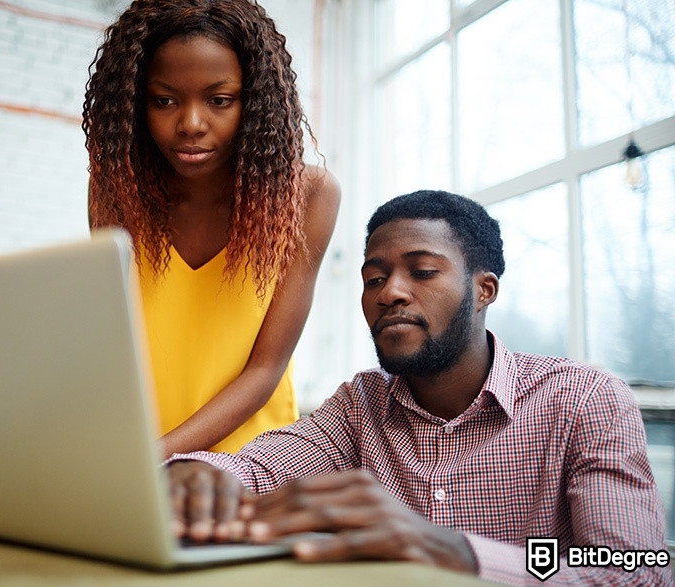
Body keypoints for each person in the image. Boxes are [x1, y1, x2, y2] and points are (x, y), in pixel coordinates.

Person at [165, 190, 670, 586]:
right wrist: (195, 472)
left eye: (422, 271)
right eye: (373, 279)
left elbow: (637, 569)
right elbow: (257, 469)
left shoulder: (586, 400)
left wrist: (456, 552)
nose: (390, 293)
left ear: (483, 290)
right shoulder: (359, 406)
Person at [81, 0, 340, 459]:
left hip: (252, 468)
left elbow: (265, 370)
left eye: (219, 100)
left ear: (256, 100)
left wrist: (153, 456)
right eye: (165, 100)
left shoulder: (308, 196)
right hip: (135, 458)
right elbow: (113, 346)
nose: (191, 124)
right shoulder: (117, 189)